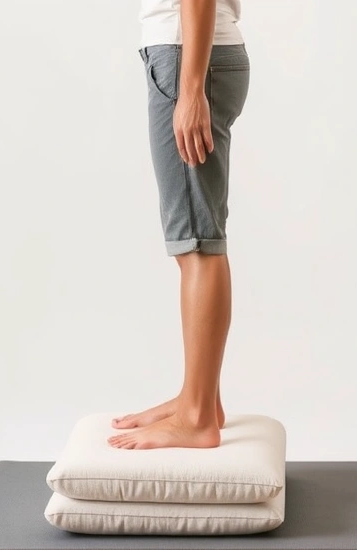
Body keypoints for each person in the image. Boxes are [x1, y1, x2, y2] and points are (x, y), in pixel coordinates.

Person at [107, 0, 249, 450]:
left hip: (187, 58)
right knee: (196, 241)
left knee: (198, 244)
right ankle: (201, 398)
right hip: (190, 56)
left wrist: (190, 90)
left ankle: (197, 417)